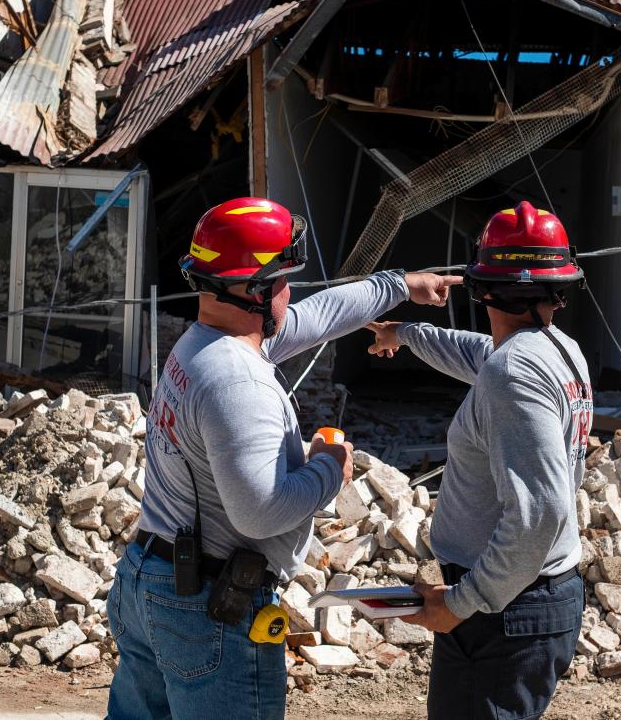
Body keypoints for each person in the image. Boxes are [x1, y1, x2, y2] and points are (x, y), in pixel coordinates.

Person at [107, 197, 459, 719]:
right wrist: (328, 469)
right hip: (206, 606)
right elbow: (260, 513)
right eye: (283, 280)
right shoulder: (237, 382)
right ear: (254, 290)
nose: (289, 293)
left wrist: (401, 285)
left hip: (150, 579)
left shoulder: (204, 344)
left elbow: (317, 316)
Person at [366, 200, 593, 720]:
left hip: (504, 611)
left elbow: (540, 514)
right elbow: (477, 352)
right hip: (523, 600)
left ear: (484, 288)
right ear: (560, 285)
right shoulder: (557, 350)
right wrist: (403, 333)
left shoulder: (513, 374)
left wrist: (464, 601)